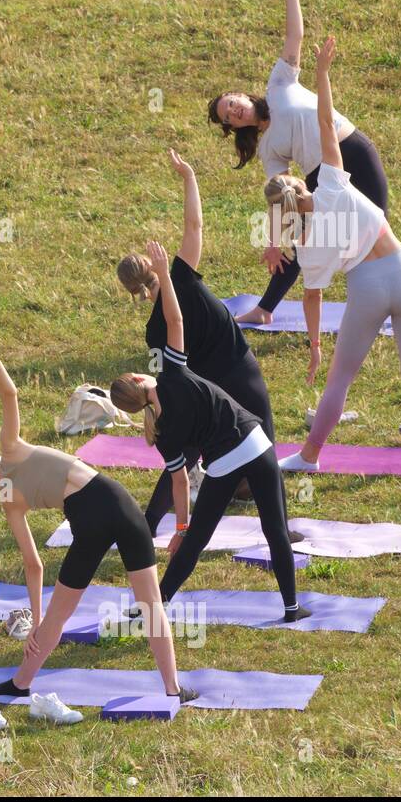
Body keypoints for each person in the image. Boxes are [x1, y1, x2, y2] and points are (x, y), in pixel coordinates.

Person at [0, 308, 197, 718]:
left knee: (58, 613)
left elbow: (33, 566)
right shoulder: (10, 447)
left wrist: (34, 619)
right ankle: (173, 689)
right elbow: (10, 393)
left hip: (86, 522)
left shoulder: (8, 500)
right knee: (151, 603)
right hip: (113, 501)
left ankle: (21, 682)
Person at [273, 38, 401, 478]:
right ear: (300, 184)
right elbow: (327, 123)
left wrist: (314, 346)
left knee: (339, 380)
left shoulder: (306, 244)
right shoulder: (331, 183)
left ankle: (310, 456)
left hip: (366, 288)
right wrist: (322, 75)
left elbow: (312, 298)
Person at [110, 243, 311, 623]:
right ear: (140, 378)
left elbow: (180, 484)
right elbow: (176, 322)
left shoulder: (162, 434)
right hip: (253, 442)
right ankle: (291, 608)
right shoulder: (176, 372)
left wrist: (182, 527)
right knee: (274, 530)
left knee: (196, 542)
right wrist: (166, 279)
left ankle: (155, 606)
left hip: (222, 465)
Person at [208, 0, 389, 325]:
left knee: (379, 228)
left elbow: (295, 37)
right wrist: (274, 244)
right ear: (234, 127)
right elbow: (279, 195)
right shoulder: (268, 148)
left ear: (241, 95)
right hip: (323, 175)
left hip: (352, 148)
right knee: (301, 239)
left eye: (232, 103)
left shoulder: (278, 84)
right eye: (228, 117)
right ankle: (264, 309)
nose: (234, 112)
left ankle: (391, 299)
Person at [117, 149, 283, 533]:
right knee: (264, 450)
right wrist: (188, 176)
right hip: (238, 373)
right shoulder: (183, 279)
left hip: (201, 391)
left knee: (185, 454)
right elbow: (194, 226)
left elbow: (162, 379)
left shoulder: (154, 330)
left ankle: (148, 523)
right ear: (152, 264)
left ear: (132, 293)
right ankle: (280, 529)